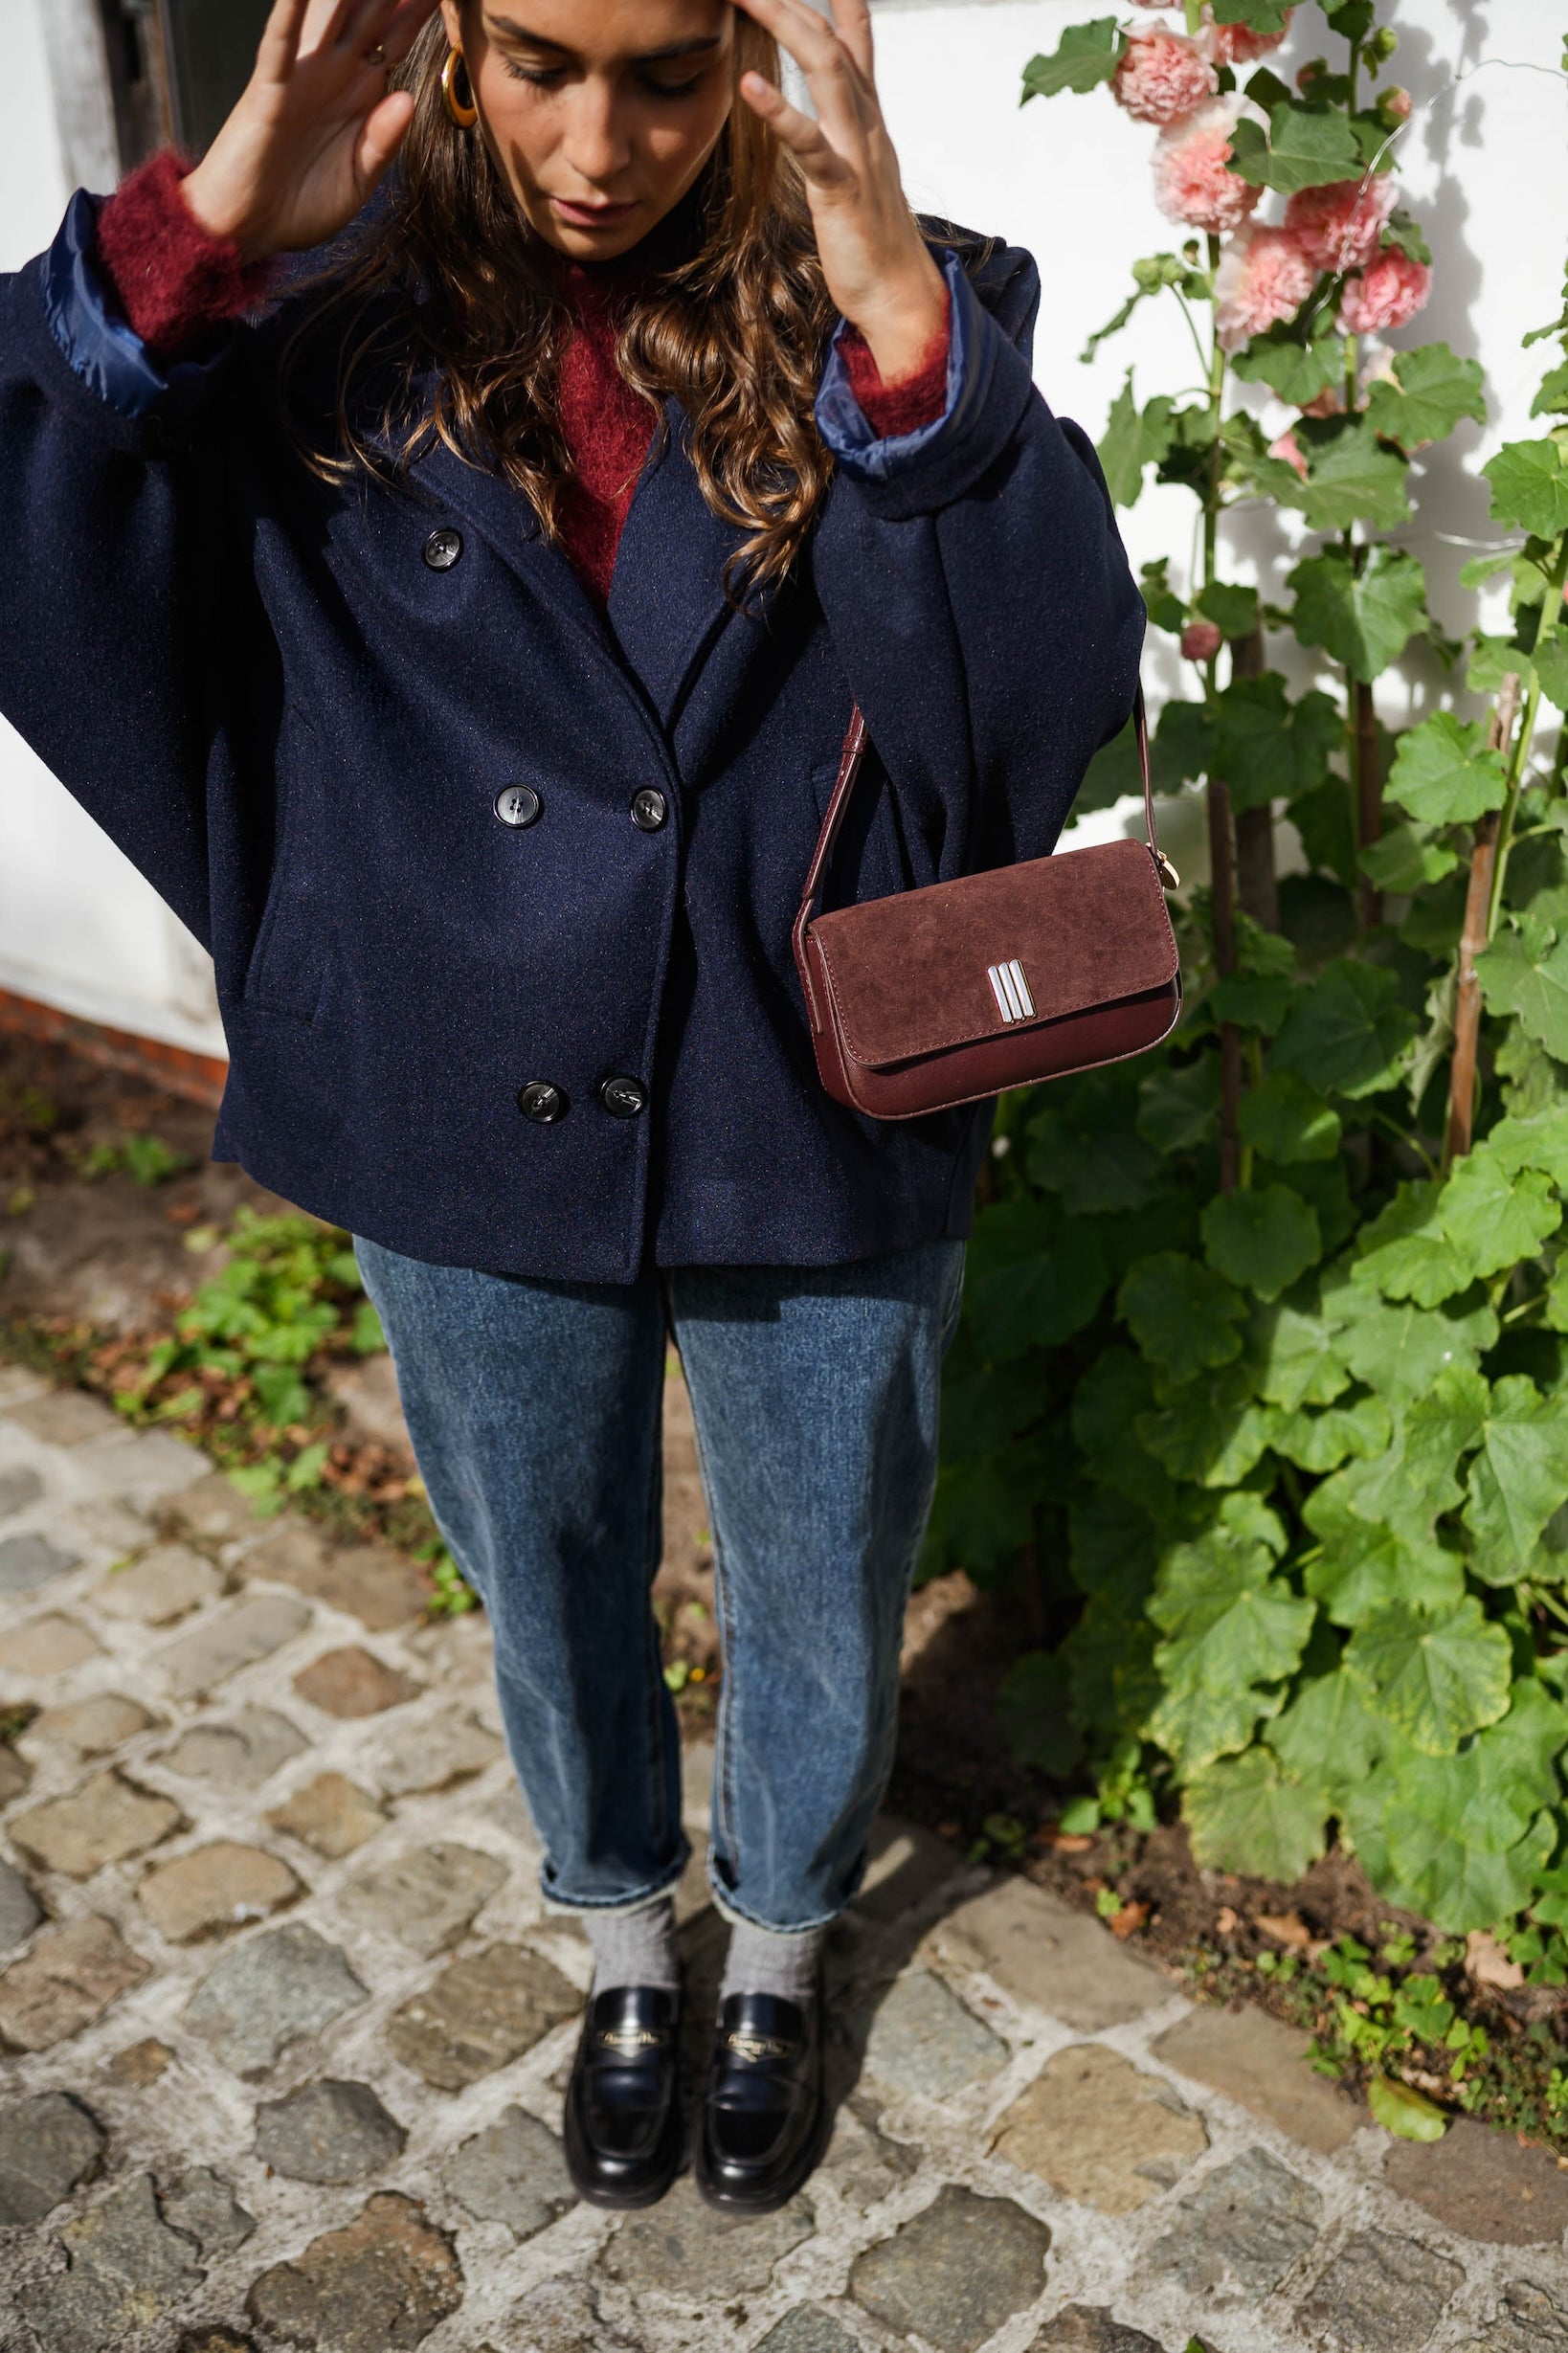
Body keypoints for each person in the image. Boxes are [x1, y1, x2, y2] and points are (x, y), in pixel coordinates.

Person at [0, 0, 1141, 2215]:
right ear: (436, 32)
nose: (597, 140)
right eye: (536, 61)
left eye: (665, 72)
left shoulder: (903, 299)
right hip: (452, 1078)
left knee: (828, 1568)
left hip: (818, 1090)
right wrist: (209, 214)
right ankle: (629, 1944)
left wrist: (893, 298)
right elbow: (36, 528)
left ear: (758, 50)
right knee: (548, 1564)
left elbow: (1023, 732)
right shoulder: (305, 327)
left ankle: (785, 1946)